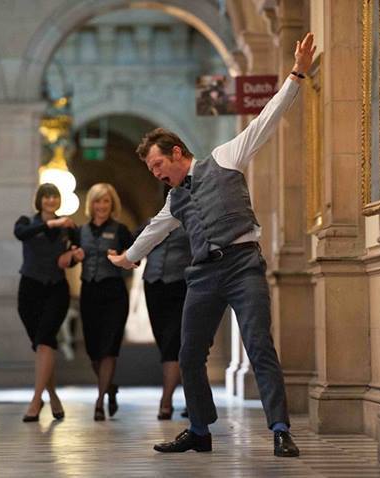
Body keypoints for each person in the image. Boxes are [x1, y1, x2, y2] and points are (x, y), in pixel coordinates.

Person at [109, 32, 316, 457]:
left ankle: (280, 428)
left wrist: (296, 73)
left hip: (243, 266)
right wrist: (129, 258)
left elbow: (265, 120)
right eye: (150, 170)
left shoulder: (226, 157)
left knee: (259, 346)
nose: (156, 174)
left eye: (158, 165)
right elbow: (154, 229)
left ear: (177, 152)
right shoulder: (174, 200)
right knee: (188, 354)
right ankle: (199, 431)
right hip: (203, 274)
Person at [66, 183, 134, 421]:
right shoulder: (79, 231)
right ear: (91, 204)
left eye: (105, 201)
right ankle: (109, 387)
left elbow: (132, 265)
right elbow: (69, 261)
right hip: (90, 294)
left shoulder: (121, 230)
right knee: (94, 351)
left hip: (114, 294)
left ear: (111, 204)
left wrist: (120, 260)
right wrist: (74, 257)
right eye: (97, 201)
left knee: (109, 350)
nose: (101, 206)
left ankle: (99, 400)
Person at [14, 183, 76, 422]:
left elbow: (75, 252)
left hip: (56, 290)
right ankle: (52, 395)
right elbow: (21, 235)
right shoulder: (26, 223)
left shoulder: (69, 226)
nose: (51, 200)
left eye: (54, 196)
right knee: (40, 346)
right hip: (29, 290)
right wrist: (52, 223)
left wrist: (72, 257)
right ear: (39, 200)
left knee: (45, 340)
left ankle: (35, 400)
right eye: (46, 196)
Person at [136, 212, 192, 420]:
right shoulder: (152, 221)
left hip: (182, 284)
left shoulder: (192, 221)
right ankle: (191, 398)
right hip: (153, 285)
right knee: (163, 339)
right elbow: (136, 243)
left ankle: (166, 400)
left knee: (175, 341)